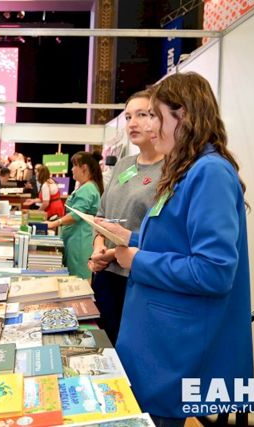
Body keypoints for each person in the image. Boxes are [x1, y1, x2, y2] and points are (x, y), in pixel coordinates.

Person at [98, 72, 253, 425]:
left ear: (182, 116)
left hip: (176, 347)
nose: (149, 127)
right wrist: (128, 238)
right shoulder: (188, 169)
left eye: (155, 116)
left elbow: (213, 272)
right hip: (159, 340)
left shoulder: (209, 172)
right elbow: (177, 240)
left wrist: (136, 260)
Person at [88, 89, 164, 344]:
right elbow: (101, 214)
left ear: (158, 118)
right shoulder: (123, 165)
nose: (133, 123)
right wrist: (98, 248)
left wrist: (113, 253)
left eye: (142, 114)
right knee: (101, 345)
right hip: (104, 273)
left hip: (136, 277)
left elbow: (163, 233)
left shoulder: (171, 170)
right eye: (128, 117)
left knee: (128, 348)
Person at [47, 152, 103, 280]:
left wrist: (55, 223)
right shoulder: (87, 187)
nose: (72, 169)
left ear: (84, 168)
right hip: (76, 238)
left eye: (74, 166)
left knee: (77, 279)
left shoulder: (88, 188)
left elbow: (76, 215)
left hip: (79, 240)